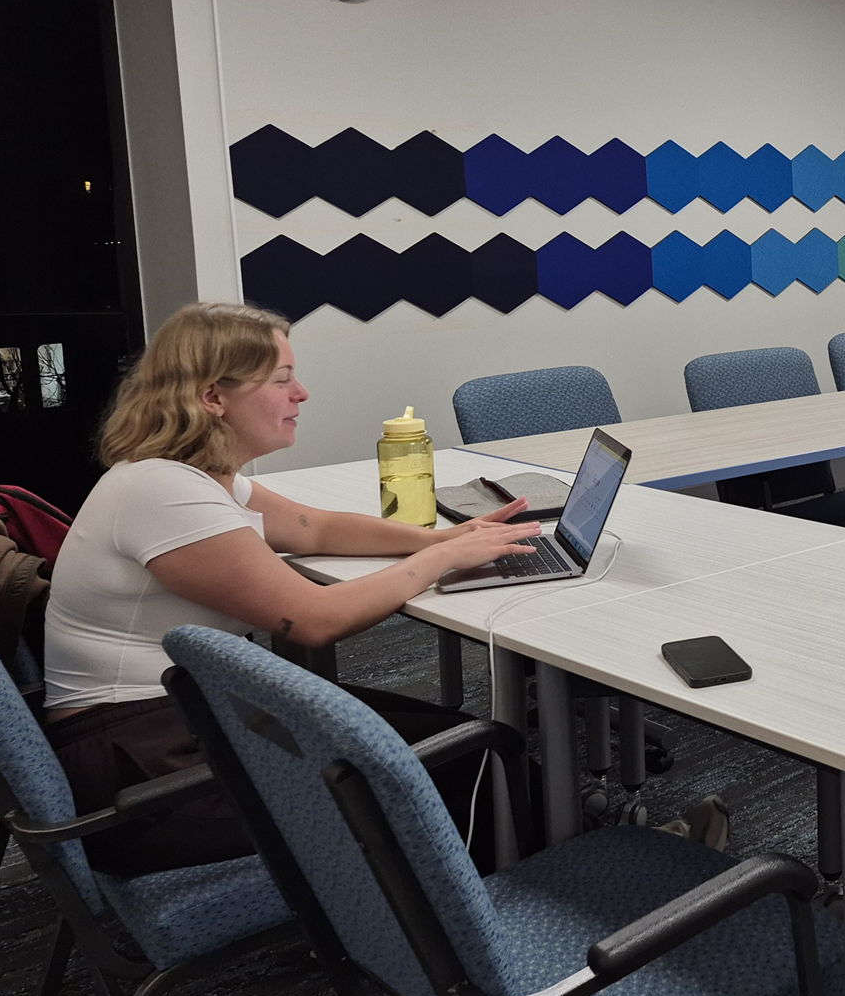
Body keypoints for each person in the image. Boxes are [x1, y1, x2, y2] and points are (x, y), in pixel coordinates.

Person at [43, 302, 542, 876]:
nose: (301, 394)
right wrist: (445, 558)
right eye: (281, 381)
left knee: (444, 737)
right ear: (213, 397)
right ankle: (505, 917)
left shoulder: (190, 476)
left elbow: (318, 527)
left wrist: (445, 538)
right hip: (145, 769)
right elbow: (312, 618)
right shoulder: (162, 493)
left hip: (180, 718)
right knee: (471, 756)